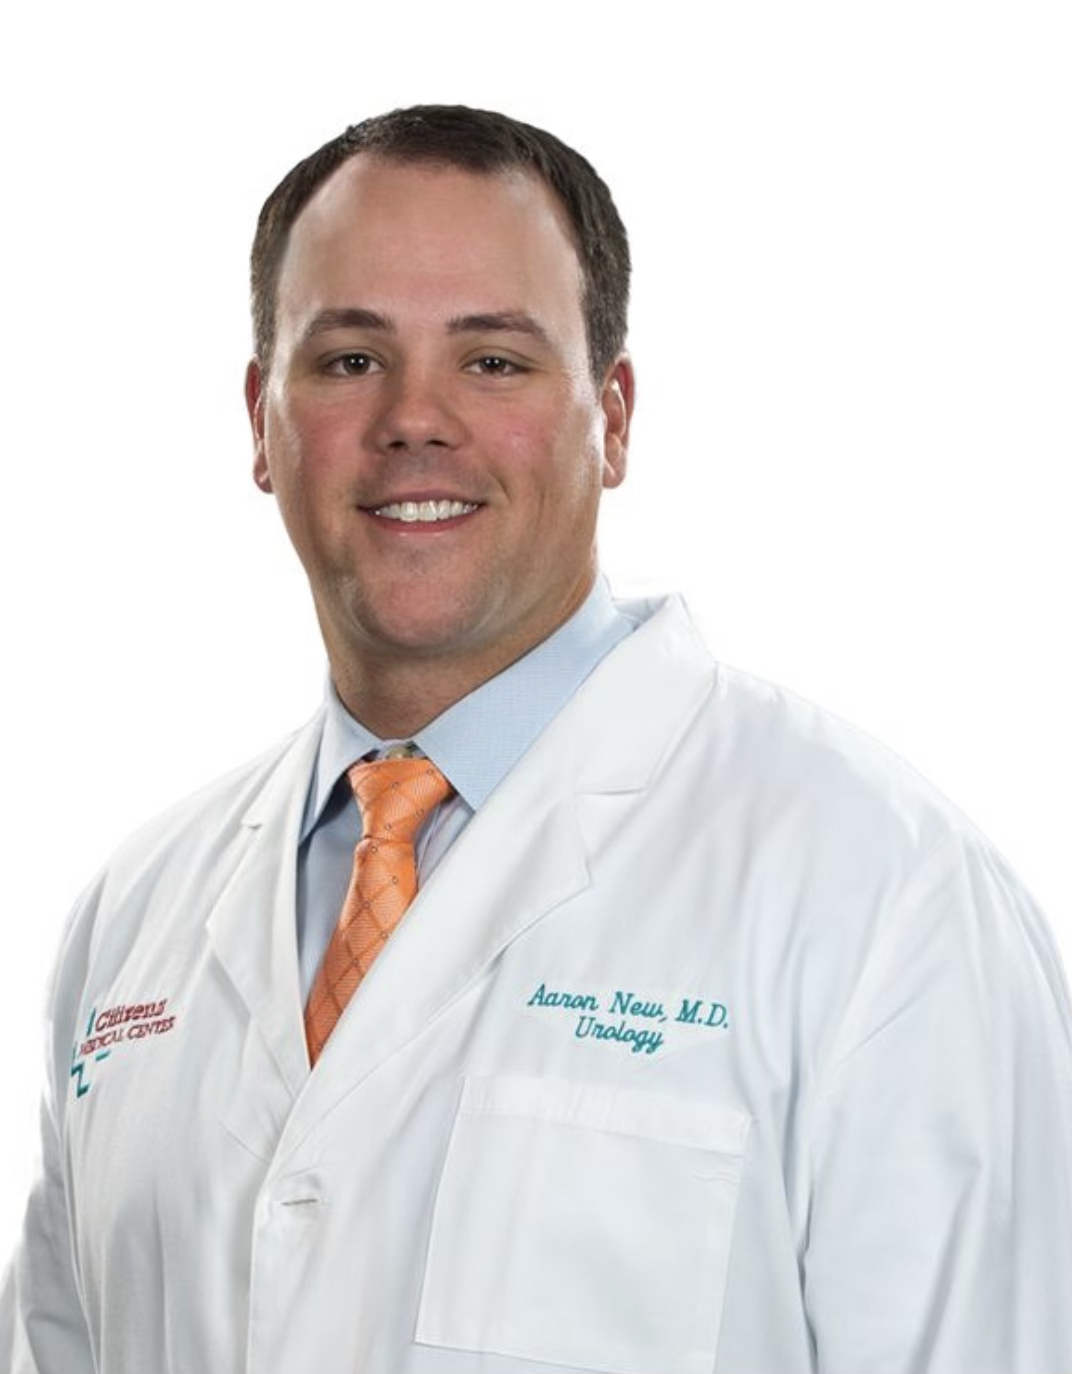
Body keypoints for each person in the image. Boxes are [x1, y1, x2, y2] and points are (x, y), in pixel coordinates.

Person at [2, 104, 1070, 1374]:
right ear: (260, 420)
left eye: (494, 361)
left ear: (612, 418)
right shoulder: (133, 920)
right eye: (350, 359)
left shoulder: (884, 896)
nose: (414, 418)